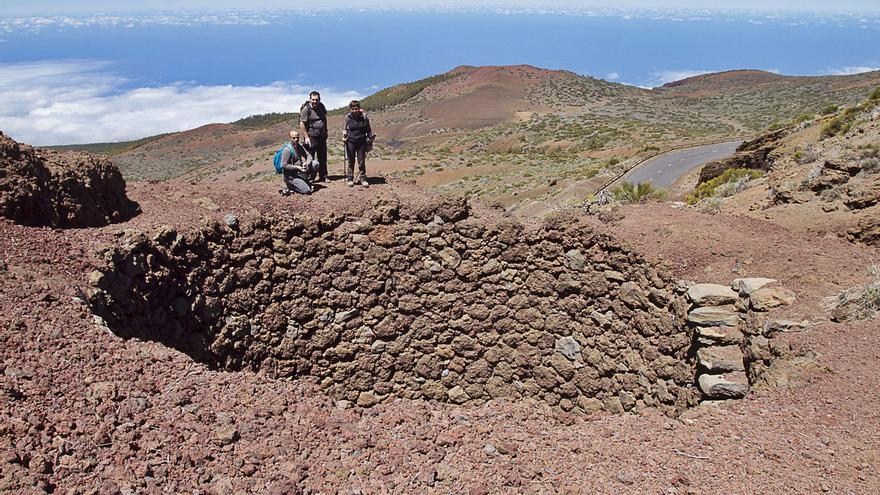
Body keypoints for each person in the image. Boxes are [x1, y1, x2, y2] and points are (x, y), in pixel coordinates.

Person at [299, 91, 329, 182]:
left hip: (321, 135)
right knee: (310, 157)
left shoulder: (321, 106)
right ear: (310, 99)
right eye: (313, 100)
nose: (315, 102)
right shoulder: (306, 109)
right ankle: (309, 177)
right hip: (311, 136)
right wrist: (306, 137)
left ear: (319, 100)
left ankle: (323, 176)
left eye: (317, 100)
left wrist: (326, 131)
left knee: (322, 157)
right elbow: (302, 123)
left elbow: (324, 119)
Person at [343, 100, 373, 187]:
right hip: (351, 142)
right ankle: (350, 179)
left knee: (361, 161)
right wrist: (344, 135)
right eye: (353, 109)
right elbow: (345, 129)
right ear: (350, 109)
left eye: (356, 108)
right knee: (350, 161)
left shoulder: (364, 117)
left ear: (359, 108)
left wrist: (369, 139)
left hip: (361, 142)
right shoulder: (348, 117)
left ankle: (363, 179)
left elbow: (369, 130)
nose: (355, 110)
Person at [279, 130, 318, 195]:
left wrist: (307, 163)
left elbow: (308, 155)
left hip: (299, 171)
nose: (296, 139)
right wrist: (297, 167)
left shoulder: (299, 146)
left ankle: (308, 181)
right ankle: (290, 185)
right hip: (291, 176)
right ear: (290, 138)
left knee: (315, 164)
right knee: (307, 190)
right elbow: (284, 165)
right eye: (293, 138)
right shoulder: (287, 150)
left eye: (297, 137)